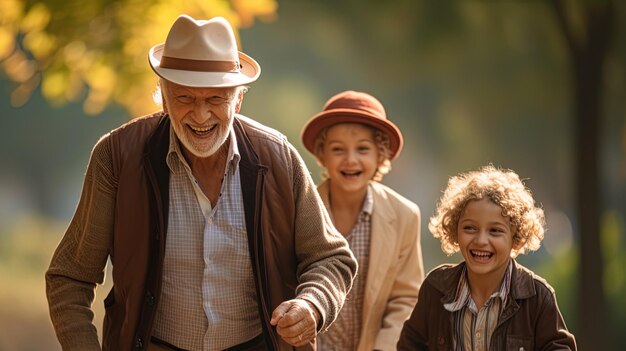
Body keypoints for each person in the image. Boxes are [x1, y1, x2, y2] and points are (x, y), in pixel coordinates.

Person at [45, 15, 358, 351]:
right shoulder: (117, 157)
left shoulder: (278, 158)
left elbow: (331, 259)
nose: (200, 115)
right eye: (185, 99)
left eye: (215, 100)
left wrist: (312, 305)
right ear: (163, 98)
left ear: (238, 101)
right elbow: (69, 278)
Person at [397, 165, 577, 350]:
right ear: (454, 230)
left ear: (516, 237)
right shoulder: (436, 288)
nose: (481, 240)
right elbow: (410, 344)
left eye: (495, 231)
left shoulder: (537, 296)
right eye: (470, 228)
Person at [300, 90, 425, 351]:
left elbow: (405, 299)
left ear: (381, 154)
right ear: (322, 154)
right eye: (337, 149)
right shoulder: (300, 206)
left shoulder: (404, 215)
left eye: (363, 149)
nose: (351, 159)